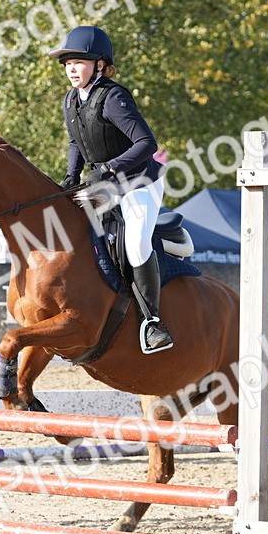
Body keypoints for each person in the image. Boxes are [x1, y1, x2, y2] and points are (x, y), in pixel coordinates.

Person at [48, 25, 174, 354]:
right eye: (67, 64)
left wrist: (110, 167)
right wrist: (70, 177)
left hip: (138, 182)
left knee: (134, 242)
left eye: (79, 62)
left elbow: (147, 144)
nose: (72, 69)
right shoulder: (71, 100)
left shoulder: (113, 97)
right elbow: (76, 141)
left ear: (100, 65)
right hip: (103, 184)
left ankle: (153, 322)